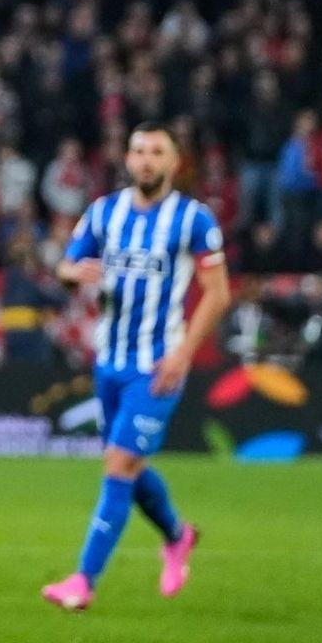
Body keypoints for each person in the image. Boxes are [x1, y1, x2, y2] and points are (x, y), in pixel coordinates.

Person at [42, 123, 231, 611]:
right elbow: (66, 264)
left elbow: (218, 293)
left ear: (174, 163)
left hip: (159, 366)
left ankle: (83, 580)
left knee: (118, 464)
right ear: (127, 158)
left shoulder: (193, 219)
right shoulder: (105, 212)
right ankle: (177, 534)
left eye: (157, 153)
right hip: (109, 363)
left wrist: (184, 353)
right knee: (129, 464)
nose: (147, 160)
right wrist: (72, 273)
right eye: (139, 151)